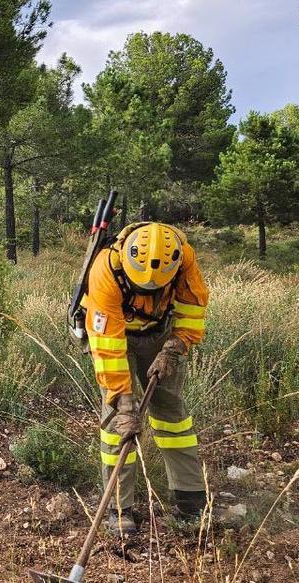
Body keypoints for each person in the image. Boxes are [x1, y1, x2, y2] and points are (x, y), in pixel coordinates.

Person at [84, 222, 210, 536]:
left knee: (172, 417)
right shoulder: (105, 271)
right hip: (115, 337)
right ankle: (119, 508)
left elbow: (194, 308)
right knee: (118, 422)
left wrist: (174, 346)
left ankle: (191, 500)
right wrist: (123, 399)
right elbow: (108, 347)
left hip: (159, 332)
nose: (148, 292)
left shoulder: (183, 260)